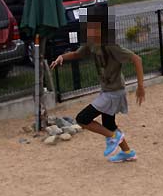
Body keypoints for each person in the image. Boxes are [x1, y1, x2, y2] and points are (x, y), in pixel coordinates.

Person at [49, 14, 145, 163]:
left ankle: (114, 137)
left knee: (82, 118)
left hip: (114, 92)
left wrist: (140, 87)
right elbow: (77, 54)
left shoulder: (112, 46)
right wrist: (62, 57)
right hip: (107, 90)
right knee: (109, 125)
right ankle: (128, 152)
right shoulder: (92, 43)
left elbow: (137, 59)